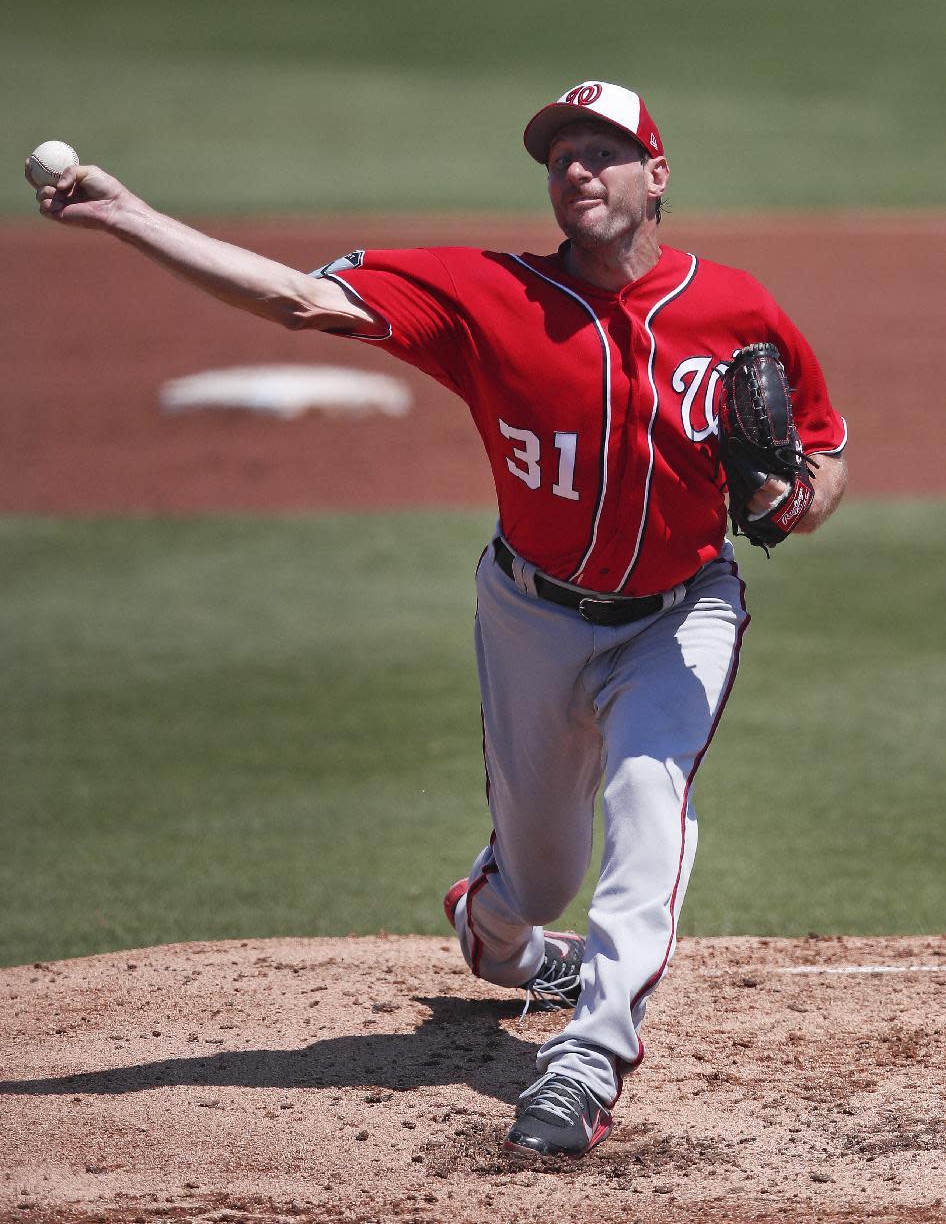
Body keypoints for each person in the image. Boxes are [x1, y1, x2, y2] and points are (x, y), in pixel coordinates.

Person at [31, 79, 848, 1159]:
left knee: (653, 799)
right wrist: (130, 215)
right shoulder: (484, 296)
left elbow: (822, 453)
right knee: (544, 875)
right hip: (532, 617)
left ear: (657, 174)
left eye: (602, 150)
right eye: (559, 154)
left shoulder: (737, 308)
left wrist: (791, 498)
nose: (575, 169)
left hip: (681, 611)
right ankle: (496, 926)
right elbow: (294, 298)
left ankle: (589, 1059)